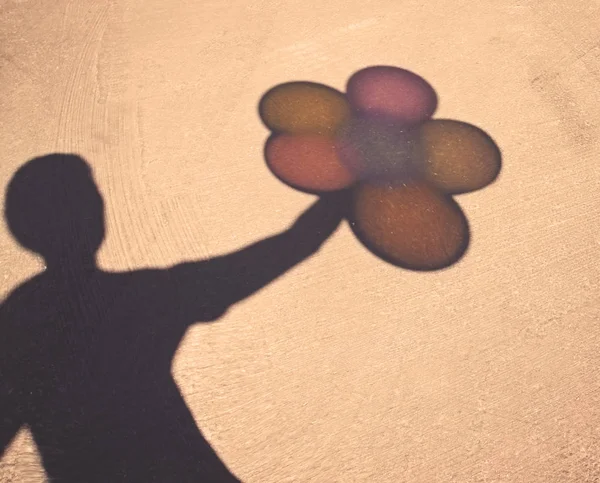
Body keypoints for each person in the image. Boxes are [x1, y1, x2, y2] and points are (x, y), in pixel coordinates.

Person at [0, 154, 347, 482]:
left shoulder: (18, 322)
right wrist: (345, 192)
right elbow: (282, 250)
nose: (96, 207)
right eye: (86, 199)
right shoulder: (137, 300)